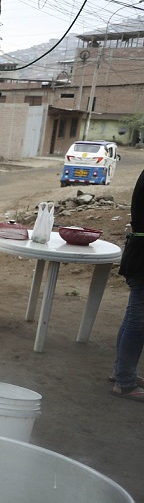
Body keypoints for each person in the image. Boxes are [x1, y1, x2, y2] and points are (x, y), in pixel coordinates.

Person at [111, 167, 144, 401]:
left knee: (133, 316)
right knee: (138, 323)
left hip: (138, 253)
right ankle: (125, 382)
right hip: (142, 257)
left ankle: (122, 372)